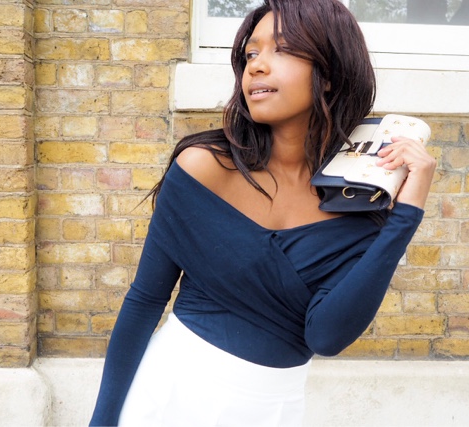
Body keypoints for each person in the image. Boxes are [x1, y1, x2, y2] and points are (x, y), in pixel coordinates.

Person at [90, 0, 436, 425]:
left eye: (282, 49)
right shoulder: (204, 168)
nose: (256, 65)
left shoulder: (358, 202)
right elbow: (145, 300)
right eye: (251, 53)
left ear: (330, 73)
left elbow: (326, 337)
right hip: (167, 397)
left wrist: (404, 217)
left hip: (273, 410)